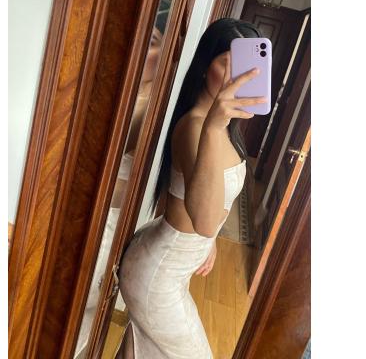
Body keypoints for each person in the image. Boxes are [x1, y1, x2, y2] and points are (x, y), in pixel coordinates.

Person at [114, 18, 266, 358]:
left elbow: (199, 204)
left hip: (168, 263)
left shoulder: (220, 126)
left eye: (245, 68)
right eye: (227, 64)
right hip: (159, 276)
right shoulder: (197, 128)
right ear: (204, 67)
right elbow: (206, 221)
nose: (236, 78)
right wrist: (213, 128)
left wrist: (206, 244)